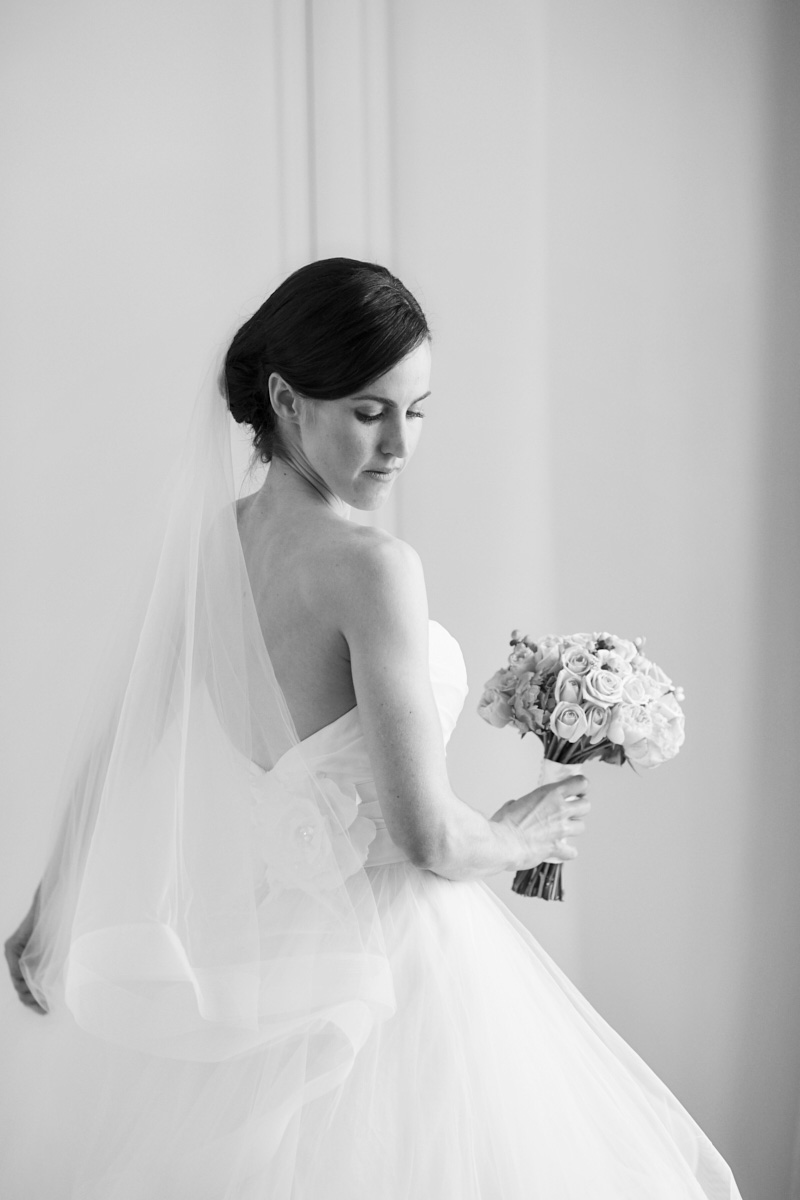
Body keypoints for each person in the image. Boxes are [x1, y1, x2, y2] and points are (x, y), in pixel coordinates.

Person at [5, 258, 742, 1198]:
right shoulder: (373, 568)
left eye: (417, 410)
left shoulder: (213, 547)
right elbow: (427, 837)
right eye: (368, 412)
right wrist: (525, 835)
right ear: (285, 399)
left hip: (273, 956)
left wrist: (49, 907)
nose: (399, 444)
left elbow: (122, 742)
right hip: (395, 964)